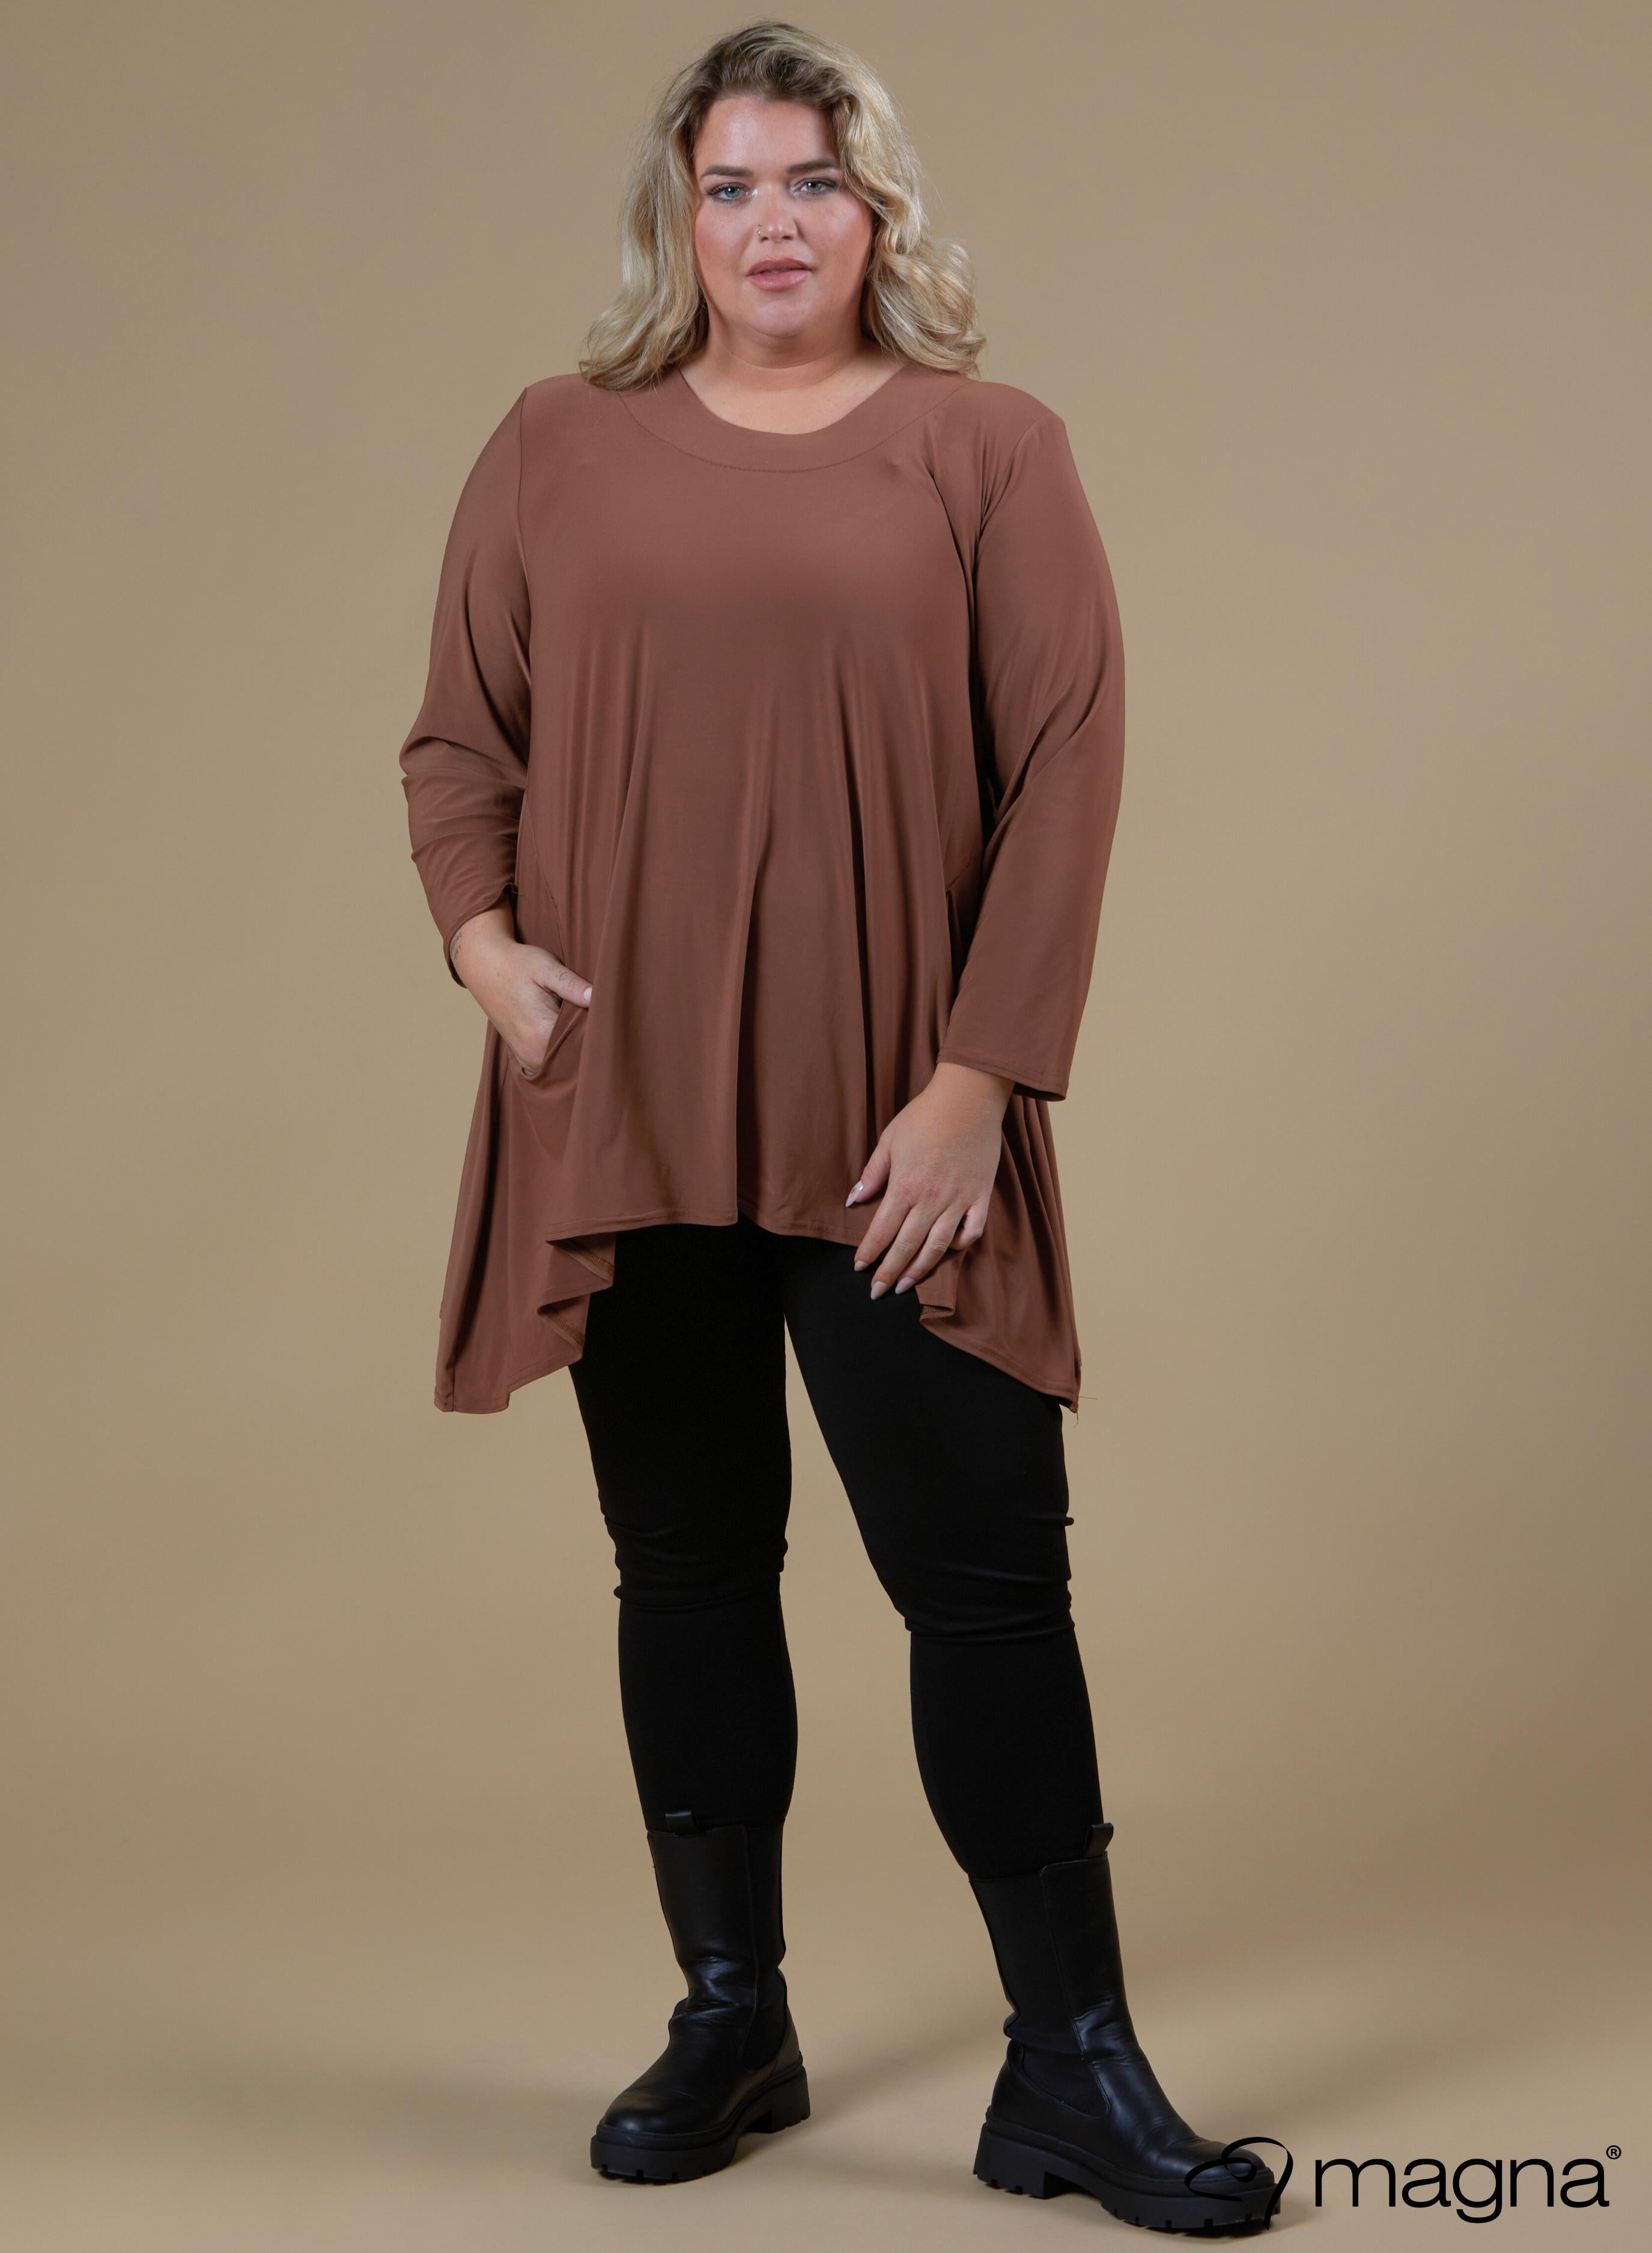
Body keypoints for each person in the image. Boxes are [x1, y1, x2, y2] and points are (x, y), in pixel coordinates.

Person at [396, 19, 1284, 2235]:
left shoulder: (988, 447)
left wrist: (982, 1083)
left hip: (898, 1115)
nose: (772, 222)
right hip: (623, 1103)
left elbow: (1068, 762)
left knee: (985, 1588)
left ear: (877, 211)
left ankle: (1070, 2067)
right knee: (688, 1569)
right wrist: (479, 946)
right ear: (678, 220)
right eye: (731, 186)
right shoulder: (554, 443)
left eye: (813, 180)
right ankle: (735, 2015)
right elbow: (459, 738)